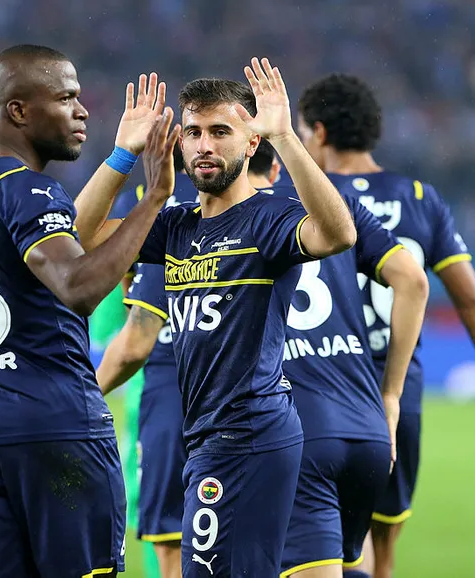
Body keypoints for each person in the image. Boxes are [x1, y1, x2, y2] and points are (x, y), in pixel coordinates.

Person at [75, 57, 357, 577]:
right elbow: (81, 234)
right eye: (194, 132)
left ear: (251, 144)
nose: (204, 145)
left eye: (221, 132)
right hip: (209, 434)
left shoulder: (268, 217)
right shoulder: (174, 226)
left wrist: (286, 137)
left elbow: (339, 234)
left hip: (246, 433)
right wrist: (123, 154)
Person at [0, 44, 180, 578]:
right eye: (65, 98)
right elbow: (78, 287)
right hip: (60, 431)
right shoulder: (28, 189)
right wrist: (153, 200)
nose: (82, 110)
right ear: (19, 110)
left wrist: (121, 157)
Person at [297, 73, 475, 578]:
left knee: (320, 547)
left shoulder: (308, 199)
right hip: (398, 390)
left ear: (319, 132)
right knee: (381, 554)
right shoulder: (419, 197)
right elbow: (473, 302)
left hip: (321, 390)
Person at [96, 140, 281, 578]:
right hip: (259, 394)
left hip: (170, 385)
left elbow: (136, 332)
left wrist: (82, 397)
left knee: (171, 540)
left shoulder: (168, 214)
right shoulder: (282, 212)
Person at [274, 188, 428, 578]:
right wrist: (390, 395)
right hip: (369, 429)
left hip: (298, 433)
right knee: (348, 563)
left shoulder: (233, 220)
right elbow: (414, 281)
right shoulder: (340, 207)